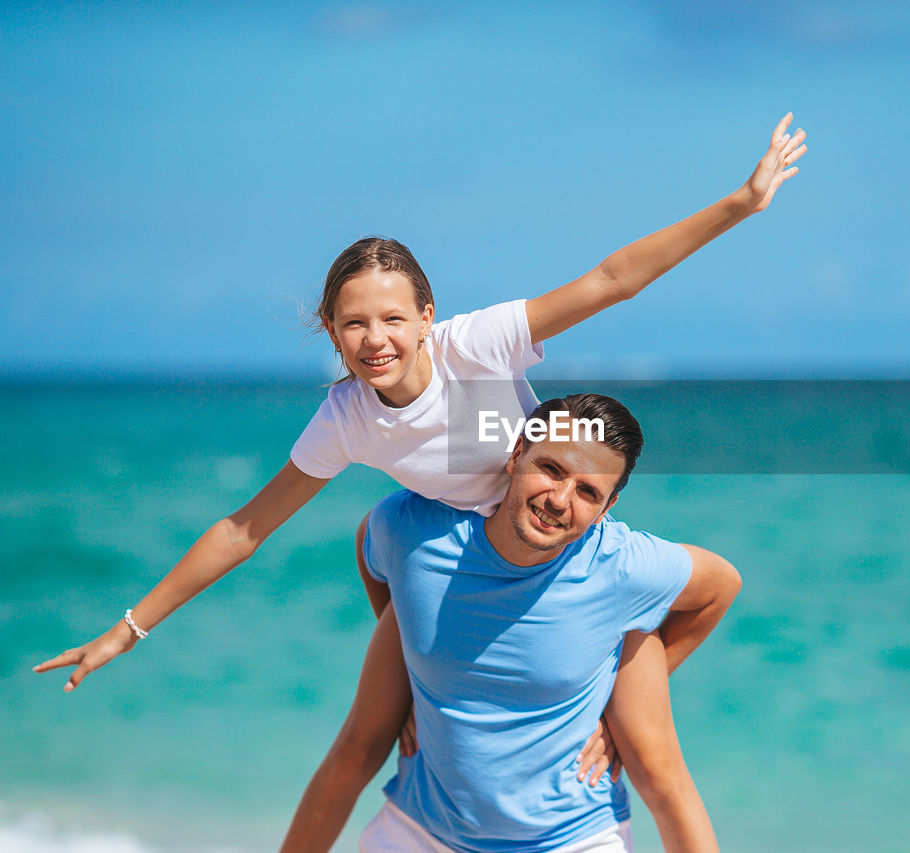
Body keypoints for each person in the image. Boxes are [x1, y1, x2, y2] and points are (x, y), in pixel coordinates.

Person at [35, 114, 806, 844]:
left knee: (652, 760)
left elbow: (611, 280)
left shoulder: (476, 346)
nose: (376, 339)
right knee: (357, 748)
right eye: (355, 323)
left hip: (555, 541)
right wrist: (130, 629)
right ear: (332, 331)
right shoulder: (348, 418)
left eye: (393, 318)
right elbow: (247, 528)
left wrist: (741, 203)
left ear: (427, 315)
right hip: (446, 555)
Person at [284, 394, 739, 853]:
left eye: (588, 492)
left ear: (606, 507)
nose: (560, 500)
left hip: (572, 838)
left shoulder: (619, 566)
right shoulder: (416, 530)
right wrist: (414, 661)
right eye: (553, 469)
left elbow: (720, 586)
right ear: (516, 453)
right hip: (420, 832)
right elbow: (371, 543)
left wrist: (621, 698)